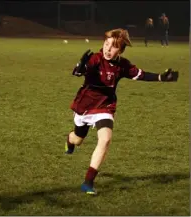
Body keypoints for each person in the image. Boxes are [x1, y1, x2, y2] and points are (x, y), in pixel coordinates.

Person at [65, 28, 178, 195]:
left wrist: (161, 77)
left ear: (121, 50)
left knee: (105, 139)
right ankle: (69, 139)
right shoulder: (95, 59)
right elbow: (83, 70)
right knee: (78, 139)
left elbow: (140, 74)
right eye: (106, 44)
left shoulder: (122, 65)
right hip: (85, 105)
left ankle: (88, 182)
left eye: (113, 46)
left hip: (105, 106)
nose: (108, 49)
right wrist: (79, 68)